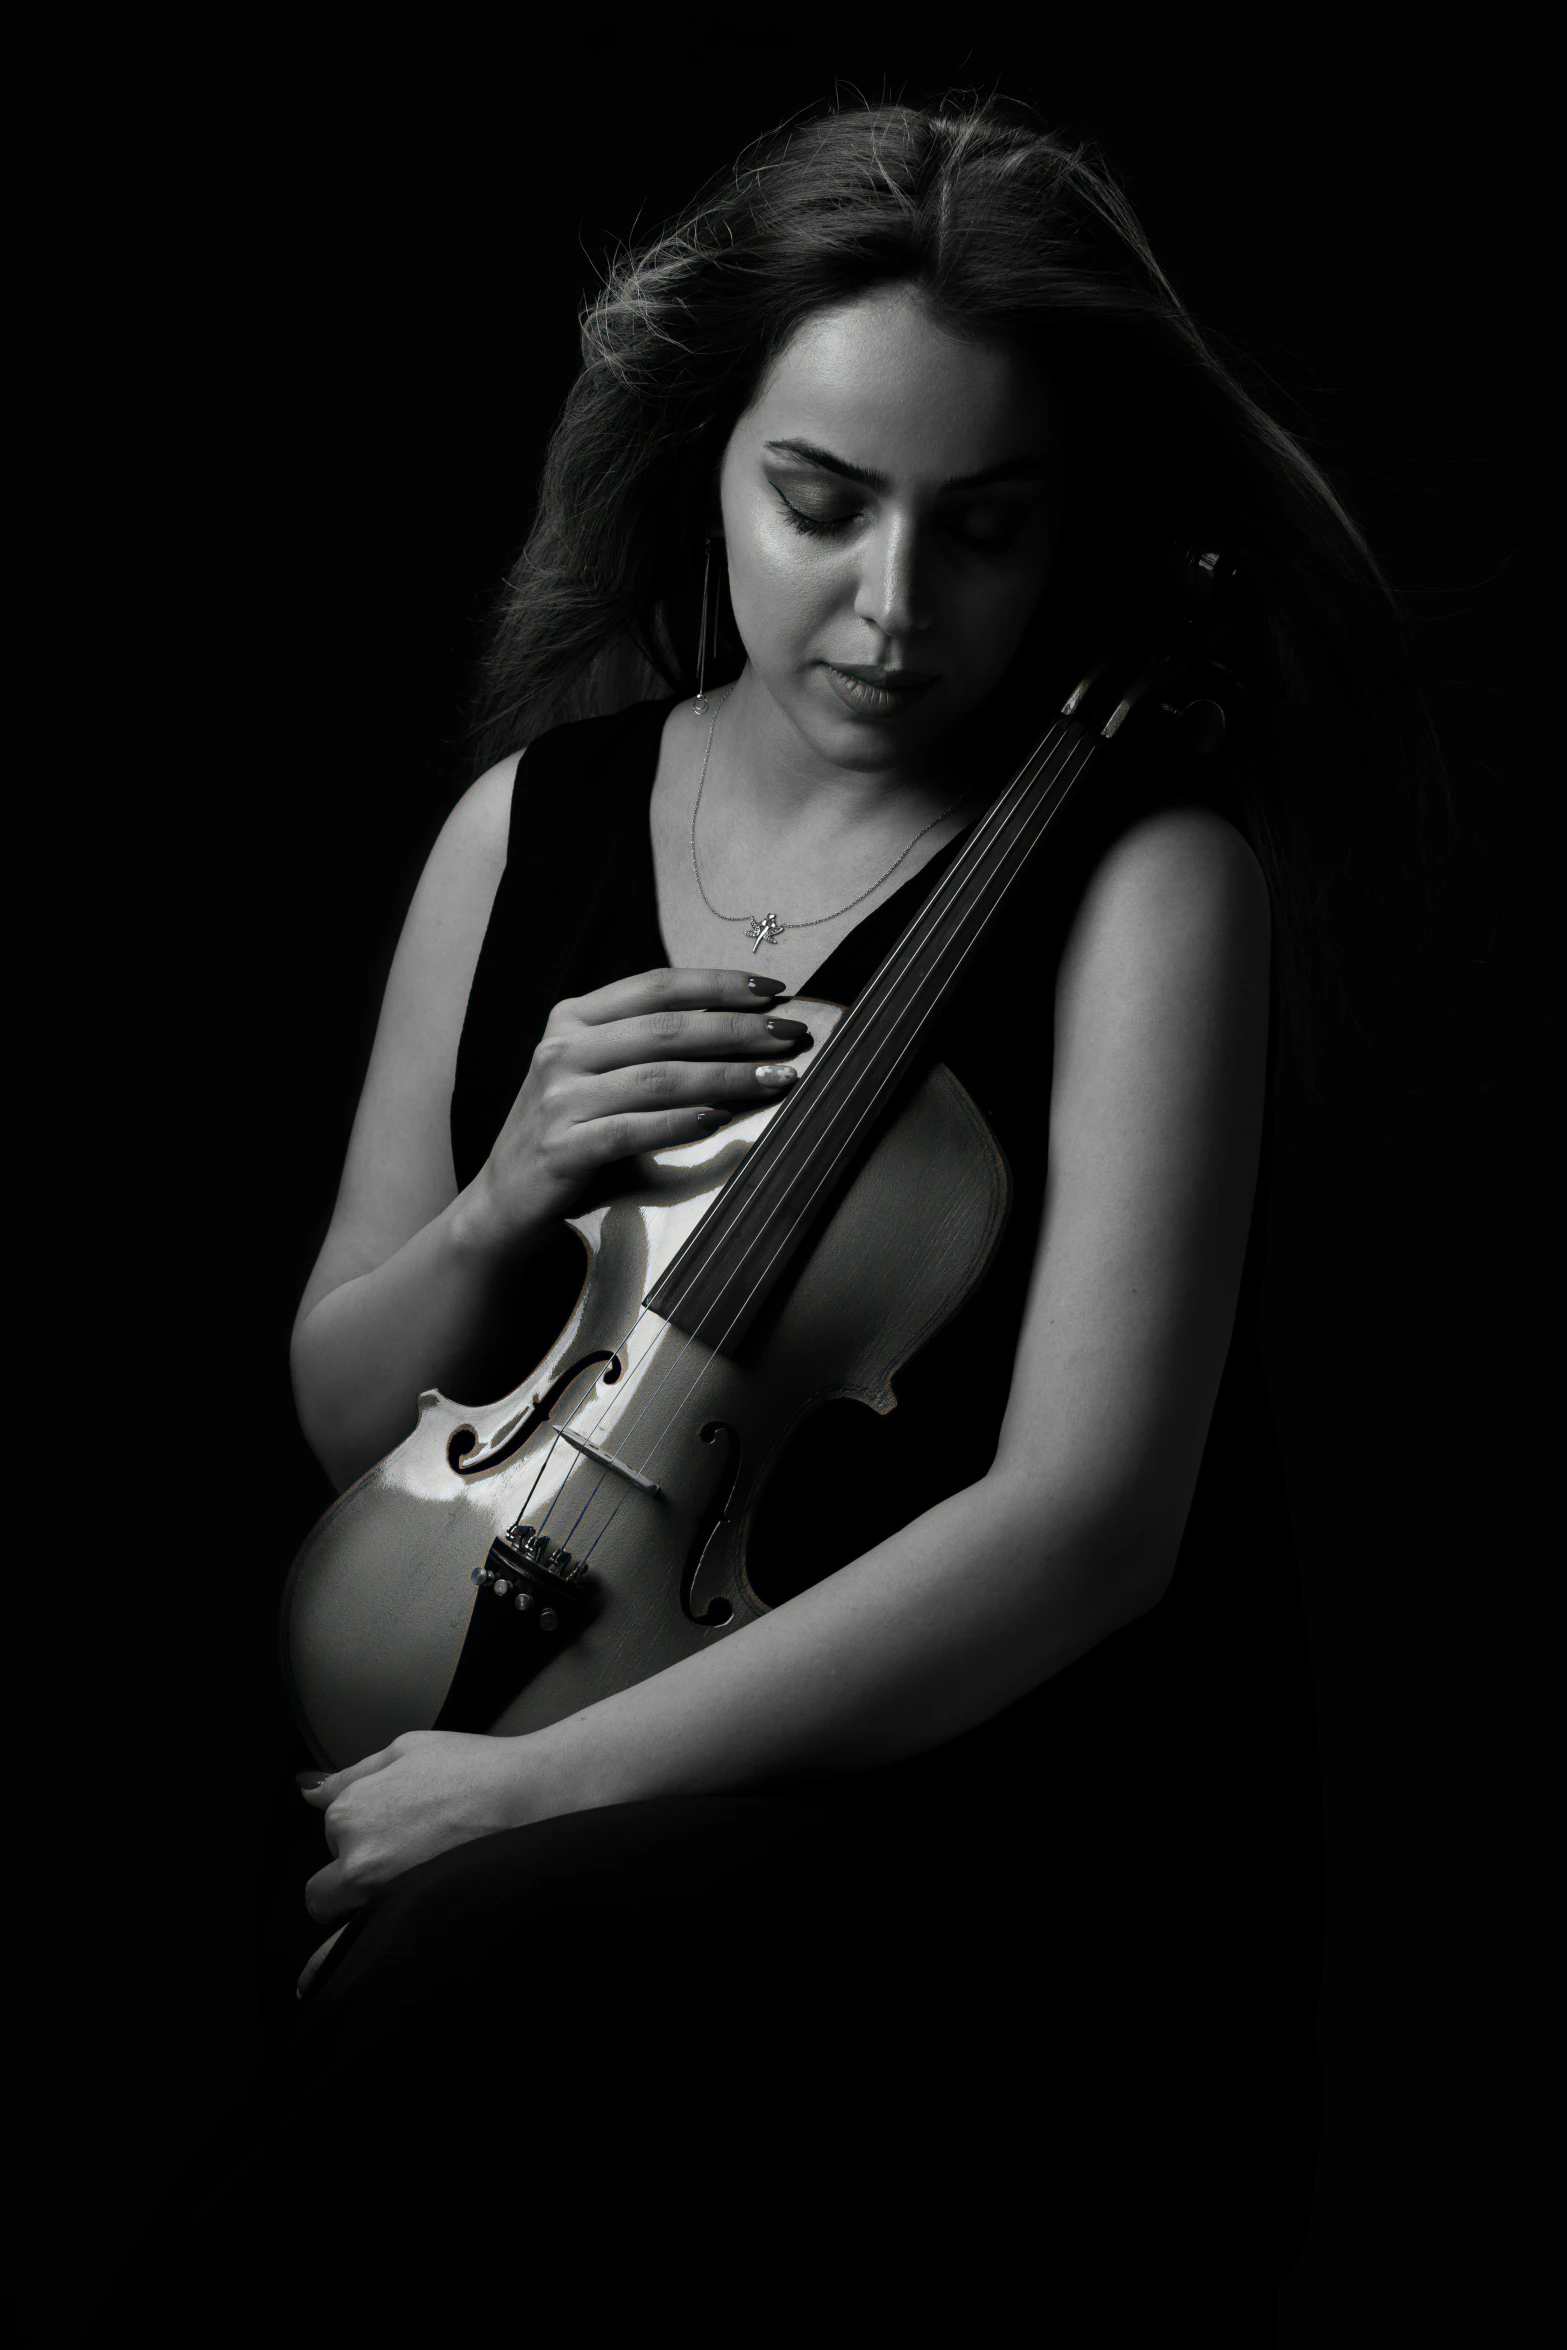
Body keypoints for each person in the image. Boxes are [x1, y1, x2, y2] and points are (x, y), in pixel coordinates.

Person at [96, 91, 1443, 2345]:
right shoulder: (522, 826)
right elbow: (353, 1404)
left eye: (986, 528)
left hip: (993, 1860)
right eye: (821, 504)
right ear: (704, 454)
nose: (895, 606)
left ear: (1071, 525)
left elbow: (1093, 1525)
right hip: (535, 1749)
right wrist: (511, 1177)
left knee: (476, 1957)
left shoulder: (1147, 875)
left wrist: (523, 1791)